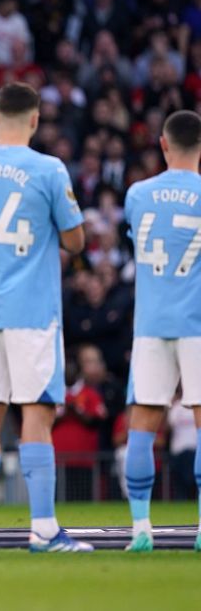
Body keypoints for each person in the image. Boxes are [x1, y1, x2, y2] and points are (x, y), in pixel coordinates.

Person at [0, 82, 92, 553]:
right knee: (36, 413)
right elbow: (75, 242)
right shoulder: (49, 169)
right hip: (32, 310)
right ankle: (44, 529)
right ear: (34, 120)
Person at [120, 109, 201, 552]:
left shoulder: (138, 193)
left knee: (142, 428)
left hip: (151, 326)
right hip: (197, 323)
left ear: (163, 145)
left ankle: (141, 530)